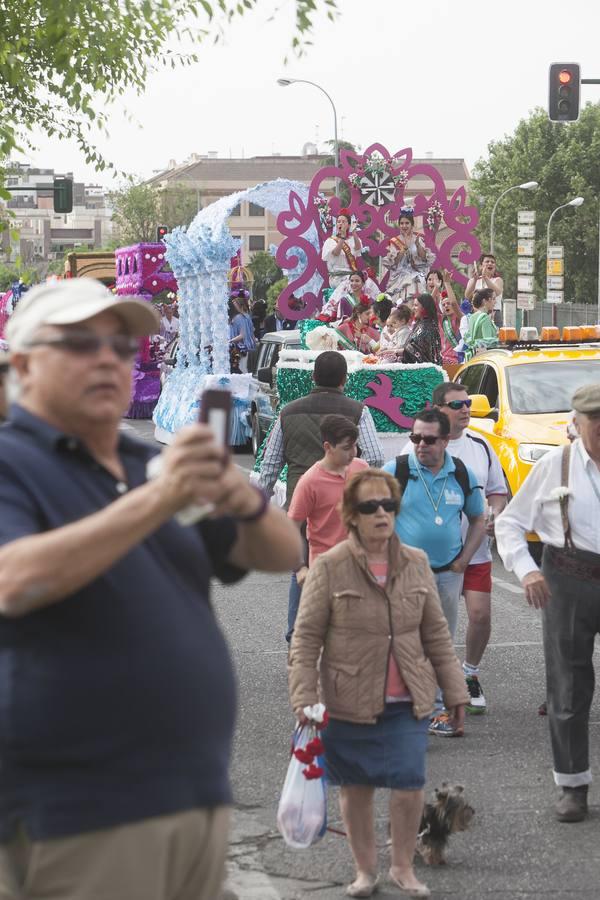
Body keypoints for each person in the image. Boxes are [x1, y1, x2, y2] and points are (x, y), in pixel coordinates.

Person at [0, 279, 302, 900]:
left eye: (123, 345)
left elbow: (281, 550)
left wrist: (233, 490)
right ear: (23, 362)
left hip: (190, 797)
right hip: (79, 808)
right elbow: (15, 579)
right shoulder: (14, 463)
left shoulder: (145, 468)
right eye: (82, 343)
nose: (109, 359)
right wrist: (160, 498)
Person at [289, 468, 468, 899]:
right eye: (370, 507)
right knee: (357, 787)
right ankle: (365, 872)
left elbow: (437, 634)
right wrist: (305, 698)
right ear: (352, 515)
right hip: (348, 699)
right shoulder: (329, 567)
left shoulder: (416, 562)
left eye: (388, 505)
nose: (381, 514)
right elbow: (306, 637)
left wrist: (456, 690)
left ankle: (403, 868)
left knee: (409, 784)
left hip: (407, 699)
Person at [495, 383, 600, 823]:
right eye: (596, 422)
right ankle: (572, 786)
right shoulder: (554, 466)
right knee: (569, 685)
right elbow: (510, 523)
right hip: (569, 577)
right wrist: (528, 570)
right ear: (576, 425)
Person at [258, 351, 384, 643]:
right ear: (345, 380)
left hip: (300, 504)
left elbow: (270, 464)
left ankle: (296, 637)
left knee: (302, 572)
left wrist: (262, 504)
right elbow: (376, 457)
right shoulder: (356, 410)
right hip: (346, 509)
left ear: (312, 377)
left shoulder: (288, 412)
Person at [382, 408, 485, 737]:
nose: (420, 445)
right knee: (406, 643)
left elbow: (480, 518)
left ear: (445, 440)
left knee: (440, 645)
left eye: (428, 439)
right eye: (415, 438)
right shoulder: (395, 471)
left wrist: (465, 559)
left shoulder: (461, 474)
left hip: (447, 574)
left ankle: (437, 711)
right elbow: (367, 517)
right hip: (405, 576)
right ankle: (412, 708)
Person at [432, 382, 507, 714]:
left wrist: (496, 513)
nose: (465, 409)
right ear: (438, 410)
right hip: (436, 554)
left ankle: (470, 674)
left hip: (475, 550)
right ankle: (435, 684)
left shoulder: (481, 445)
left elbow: (497, 491)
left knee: (480, 615)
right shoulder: (423, 446)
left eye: (467, 404)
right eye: (457, 404)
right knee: (436, 623)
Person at [288, 414, 368, 589]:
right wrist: (300, 568)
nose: (353, 452)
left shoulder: (361, 468)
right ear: (327, 446)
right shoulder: (309, 482)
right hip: (326, 572)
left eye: (355, 445)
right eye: (347, 447)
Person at [382, 208, 434, 304]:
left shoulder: (418, 238)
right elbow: (394, 263)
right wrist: (402, 250)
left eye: (407, 223)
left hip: (416, 275)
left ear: (412, 225)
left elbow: (424, 259)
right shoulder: (394, 241)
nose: (404, 226)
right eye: (402, 223)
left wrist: (418, 245)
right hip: (399, 276)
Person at [401, 293, 442, 365]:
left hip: (424, 372)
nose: (413, 308)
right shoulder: (420, 324)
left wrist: (403, 350)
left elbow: (425, 354)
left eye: (416, 305)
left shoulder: (429, 327)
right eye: (413, 305)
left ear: (424, 307)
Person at [464, 253, 503, 327]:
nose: (490, 263)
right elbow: (467, 296)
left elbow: (496, 292)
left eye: (492, 262)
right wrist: (475, 280)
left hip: (494, 314)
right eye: (487, 261)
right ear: (481, 266)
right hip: (477, 314)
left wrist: (485, 277)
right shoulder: (473, 280)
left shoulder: (498, 280)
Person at [463, 288, 498, 359]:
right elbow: (488, 343)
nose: (495, 302)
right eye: (493, 299)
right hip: (486, 357)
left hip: (475, 357)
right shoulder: (485, 318)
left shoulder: (472, 317)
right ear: (484, 301)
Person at [229, 294, 257, 372]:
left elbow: (242, 335)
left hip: (241, 348)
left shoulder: (238, 318)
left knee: (243, 369)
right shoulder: (247, 316)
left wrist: (230, 341)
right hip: (249, 346)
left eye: (235, 306)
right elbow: (252, 333)